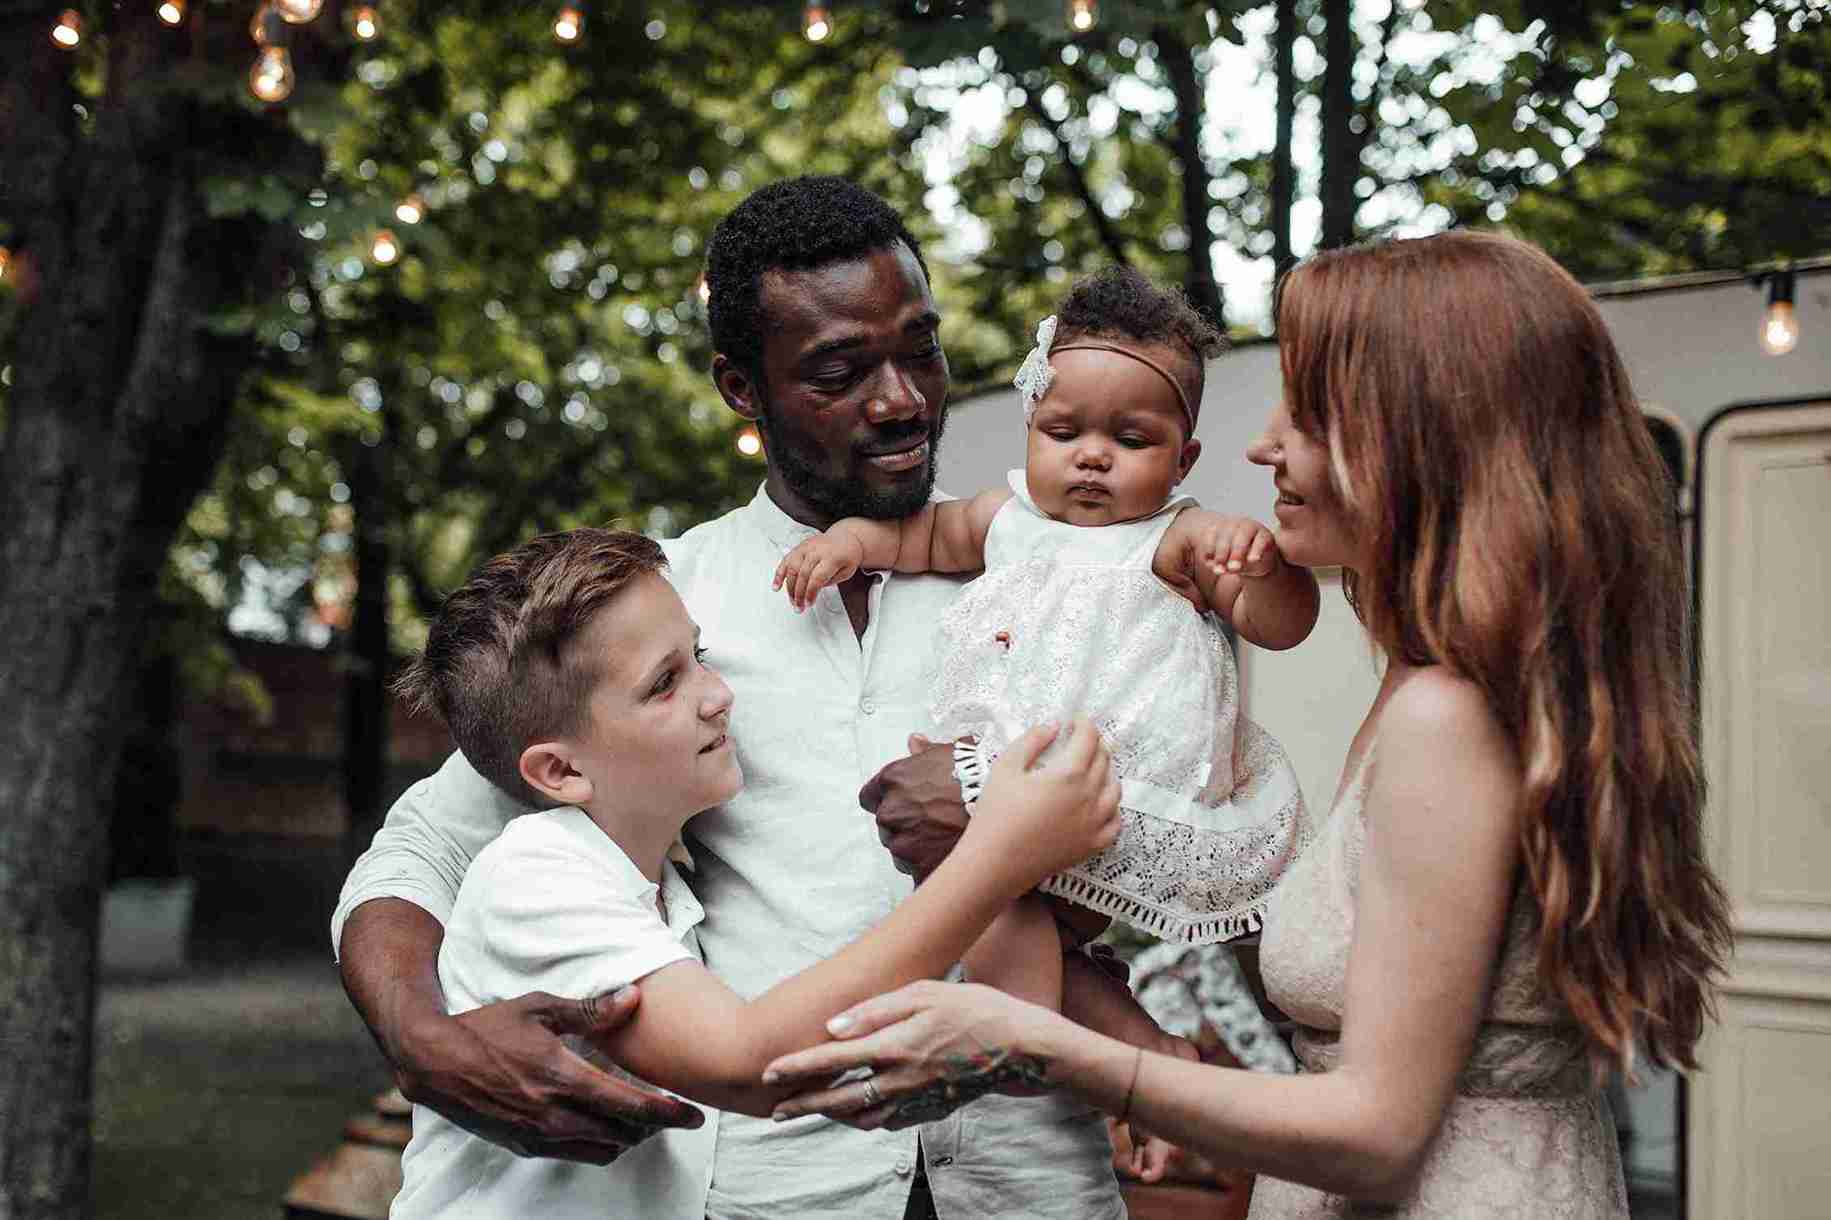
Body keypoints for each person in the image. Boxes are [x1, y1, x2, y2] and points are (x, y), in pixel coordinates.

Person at [760, 230, 1733, 1219]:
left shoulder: (1446, 717)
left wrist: (1034, 1035)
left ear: (1421, 435)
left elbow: (1378, 1129)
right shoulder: (1428, 682)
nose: (1264, 443)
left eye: (1308, 414)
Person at [332, 176, 1155, 1218]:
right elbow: (421, 851)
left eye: (921, 349)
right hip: (774, 1184)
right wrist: (423, 1039)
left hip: (1030, 1177)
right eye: (841, 370)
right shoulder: (665, 610)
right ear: (741, 386)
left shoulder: (1050, 575)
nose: (901, 397)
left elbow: (1190, 806)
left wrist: (1009, 815)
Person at [382, 525, 1124, 1218]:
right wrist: (996, 856)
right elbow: (744, 1062)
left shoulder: (661, 886)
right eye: (664, 683)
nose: (718, 693)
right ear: (561, 770)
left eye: (699, 656)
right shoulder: (535, 876)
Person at [772, 265, 1318, 1021]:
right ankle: (1077, 1039)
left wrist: (1261, 569)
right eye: (1064, 433)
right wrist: (849, 542)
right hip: (1012, 769)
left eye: (1130, 440)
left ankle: (1013, 1035)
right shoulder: (1009, 517)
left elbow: (1278, 626)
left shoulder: (1176, 536)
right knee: (1011, 916)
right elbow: (922, 535)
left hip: (1112, 784)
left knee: (1002, 905)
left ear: (1181, 461)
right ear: (1033, 428)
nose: (1091, 456)